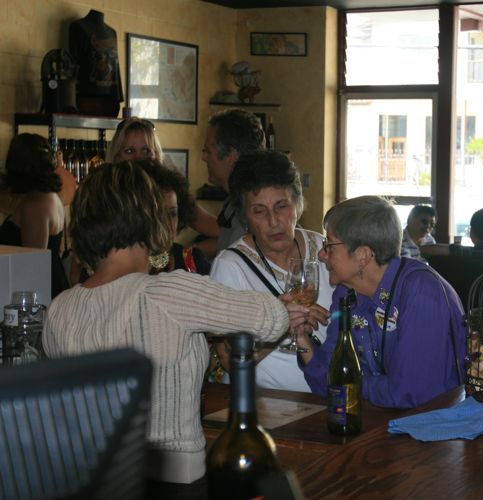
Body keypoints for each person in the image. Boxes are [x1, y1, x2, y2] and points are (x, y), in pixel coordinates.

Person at [42, 160, 310, 484]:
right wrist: (289, 307)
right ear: (149, 219)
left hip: (90, 481)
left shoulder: (58, 310)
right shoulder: (168, 292)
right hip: (171, 483)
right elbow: (269, 319)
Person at [296, 195, 466, 409]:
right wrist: (301, 339)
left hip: (435, 425)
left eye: (329, 244)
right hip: (381, 422)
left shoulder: (421, 292)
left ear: (363, 255)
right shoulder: (346, 293)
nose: (321, 255)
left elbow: (408, 394)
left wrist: (346, 382)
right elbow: (326, 383)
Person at [210, 151, 332, 391]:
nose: (273, 221)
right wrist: (279, 328)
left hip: (328, 396)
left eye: (281, 206)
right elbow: (228, 361)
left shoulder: (324, 250)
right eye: (259, 211)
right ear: (244, 216)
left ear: (298, 204)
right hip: (264, 403)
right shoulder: (231, 266)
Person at [108, 116, 220, 258]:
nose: (138, 158)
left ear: (156, 155)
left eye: (146, 151)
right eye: (129, 151)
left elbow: (224, 234)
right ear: (116, 157)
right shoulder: (103, 195)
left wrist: (186, 254)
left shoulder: (172, 193)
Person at [0, 134, 71, 297]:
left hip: (36, 294)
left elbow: (32, 264)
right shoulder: (50, 196)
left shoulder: (35, 204)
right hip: (50, 285)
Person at [202, 109, 266, 252]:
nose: (204, 158)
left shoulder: (252, 210)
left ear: (231, 156)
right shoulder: (236, 201)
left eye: (208, 151)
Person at [139, 160, 211, 274]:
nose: (166, 222)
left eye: (172, 214)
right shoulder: (121, 267)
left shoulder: (192, 261)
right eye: (158, 213)